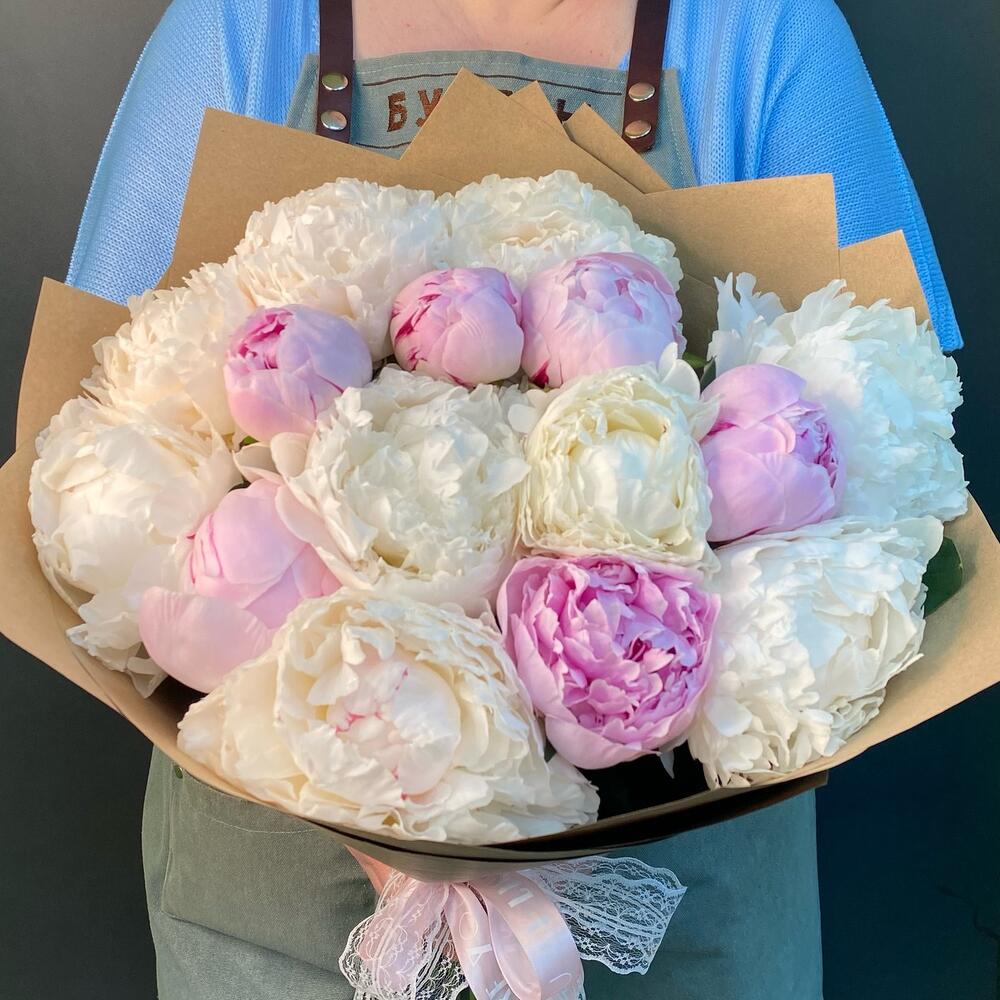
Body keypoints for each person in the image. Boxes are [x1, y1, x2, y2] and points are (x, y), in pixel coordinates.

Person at [65, 2, 961, 998]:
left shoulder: (762, 27)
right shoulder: (239, 25)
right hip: (277, 916)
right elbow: (111, 407)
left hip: (676, 917)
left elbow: (892, 423)